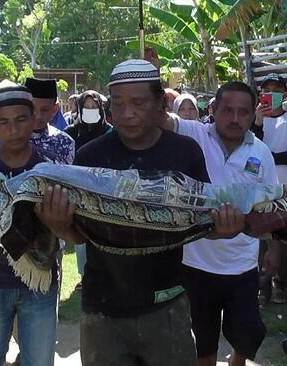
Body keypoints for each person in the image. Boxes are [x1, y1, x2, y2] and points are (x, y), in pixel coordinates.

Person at [35, 59, 244, 366]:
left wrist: (223, 228)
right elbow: (81, 234)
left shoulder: (184, 152)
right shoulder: (90, 157)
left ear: (160, 102)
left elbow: (202, 220)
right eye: (118, 104)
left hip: (167, 306)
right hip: (102, 312)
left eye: (138, 102)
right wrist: (59, 225)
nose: (127, 113)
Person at [169, 81, 278, 366]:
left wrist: (274, 249)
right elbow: (160, 118)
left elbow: (270, 207)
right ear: (213, 110)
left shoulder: (262, 153)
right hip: (196, 264)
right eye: (227, 110)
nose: (234, 118)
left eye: (243, 112)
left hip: (242, 264)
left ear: (253, 114)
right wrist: (152, 78)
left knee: (250, 333)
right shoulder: (193, 134)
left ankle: (236, 360)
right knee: (203, 344)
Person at [0, 80, 58, 366]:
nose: (13, 129)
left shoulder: (52, 172)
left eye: (21, 119)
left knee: (39, 362)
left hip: (40, 284)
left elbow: (68, 228)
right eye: (3, 122)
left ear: (34, 119)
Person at [251, 73, 287, 305]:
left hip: (286, 186)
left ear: (285, 95)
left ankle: (280, 285)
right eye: (267, 89)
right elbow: (251, 153)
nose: (271, 93)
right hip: (259, 188)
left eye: (276, 89)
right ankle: (261, 287)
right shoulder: (254, 121)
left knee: (284, 237)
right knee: (260, 237)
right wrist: (257, 124)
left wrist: (269, 158)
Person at [64, 90, 112, 284]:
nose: (91, 110)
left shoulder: (110, 133)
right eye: (87, 107)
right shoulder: (71, 133)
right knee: (82, 236)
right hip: (79, 191)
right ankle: (85, 276)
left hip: (104, 191)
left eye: (94, 107)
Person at [0, 78, 75, 165]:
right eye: (32, 108)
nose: (38, 115)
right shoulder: (1, 138)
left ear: (54, 109)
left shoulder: (64, 142)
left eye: (45, 110)